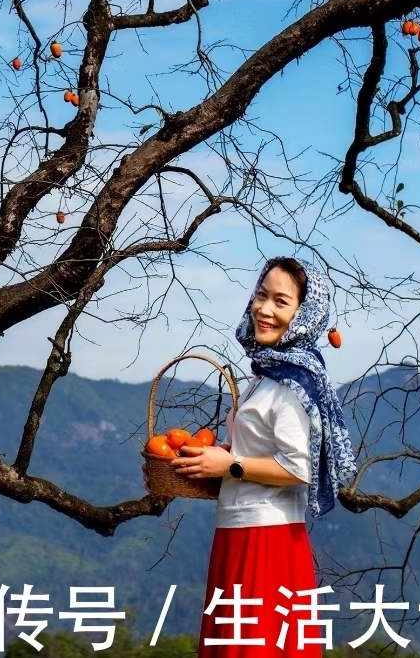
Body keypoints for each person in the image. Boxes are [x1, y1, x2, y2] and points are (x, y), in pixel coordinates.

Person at [171, 257, 357, 658]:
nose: (264, 309)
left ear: (304, 314)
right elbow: (264, 450)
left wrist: (231, 465)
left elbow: (299, 467)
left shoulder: (293, 383)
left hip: (265, 539)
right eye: (261, 295)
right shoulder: (267, 374)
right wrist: (225, 454)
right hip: (242, 530)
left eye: (281, 301)